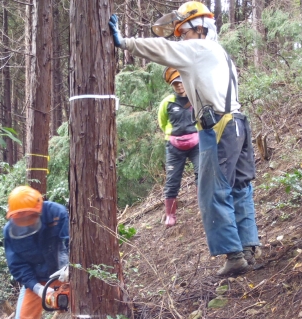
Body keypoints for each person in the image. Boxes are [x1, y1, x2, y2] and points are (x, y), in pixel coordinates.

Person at [109, 2, 260, 276]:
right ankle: (247, 247)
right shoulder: (220, 52)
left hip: (219, 128)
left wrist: (125, 42)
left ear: (198, 28)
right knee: (240, 188)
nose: (181, 38)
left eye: (183, 32)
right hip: (238, 124)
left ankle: (234, 255)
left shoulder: (198, 48)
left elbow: (163, 49)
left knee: (214, 191)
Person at [1, 185, 69, 319]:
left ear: (39, 209)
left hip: (66, 274)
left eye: (28, 216)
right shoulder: (10, 231)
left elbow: (69, 243)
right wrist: (37, 288)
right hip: (36, 280)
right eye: (19, 218)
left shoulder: (56, 213)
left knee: (87, 307)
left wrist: (68, 268)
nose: (25, 222)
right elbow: (17, 265)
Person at [158, 67, 200, 227]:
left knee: (201, 173)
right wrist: (173, 135)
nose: (179, 86)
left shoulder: (195, 98)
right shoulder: (167, 103)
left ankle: (204, 207)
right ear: (172, 85)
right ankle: (170, 215)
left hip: (196, 143)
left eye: (181, 82)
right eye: (175, 83)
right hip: (175, 146)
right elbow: (162, 123)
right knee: (172, 180)